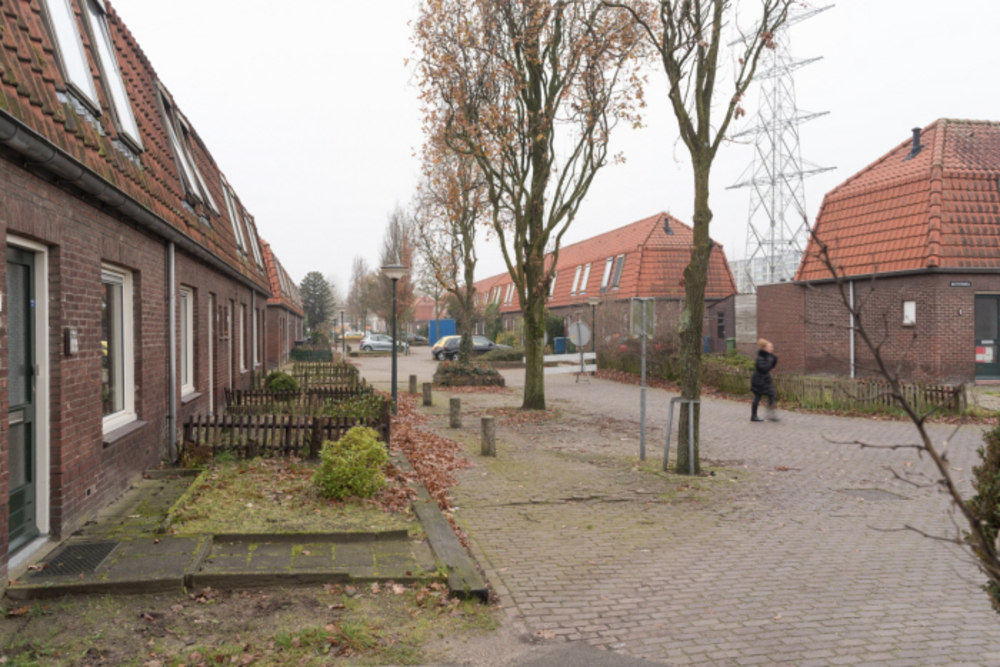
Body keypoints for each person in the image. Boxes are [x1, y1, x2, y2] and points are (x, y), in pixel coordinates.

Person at [751, 339, 778, 422]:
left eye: (772, 347)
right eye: (770, 347)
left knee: (772, 394)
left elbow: (772, 364)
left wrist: (773, 362)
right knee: (757, 397)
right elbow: (764, 368)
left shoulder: (768, 357)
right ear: (764, 348)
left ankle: (770, 413)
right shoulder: (760, 358)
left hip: (765, 379)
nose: (772, 349)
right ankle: (754, 416)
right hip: (759, 380)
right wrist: (770, 360)